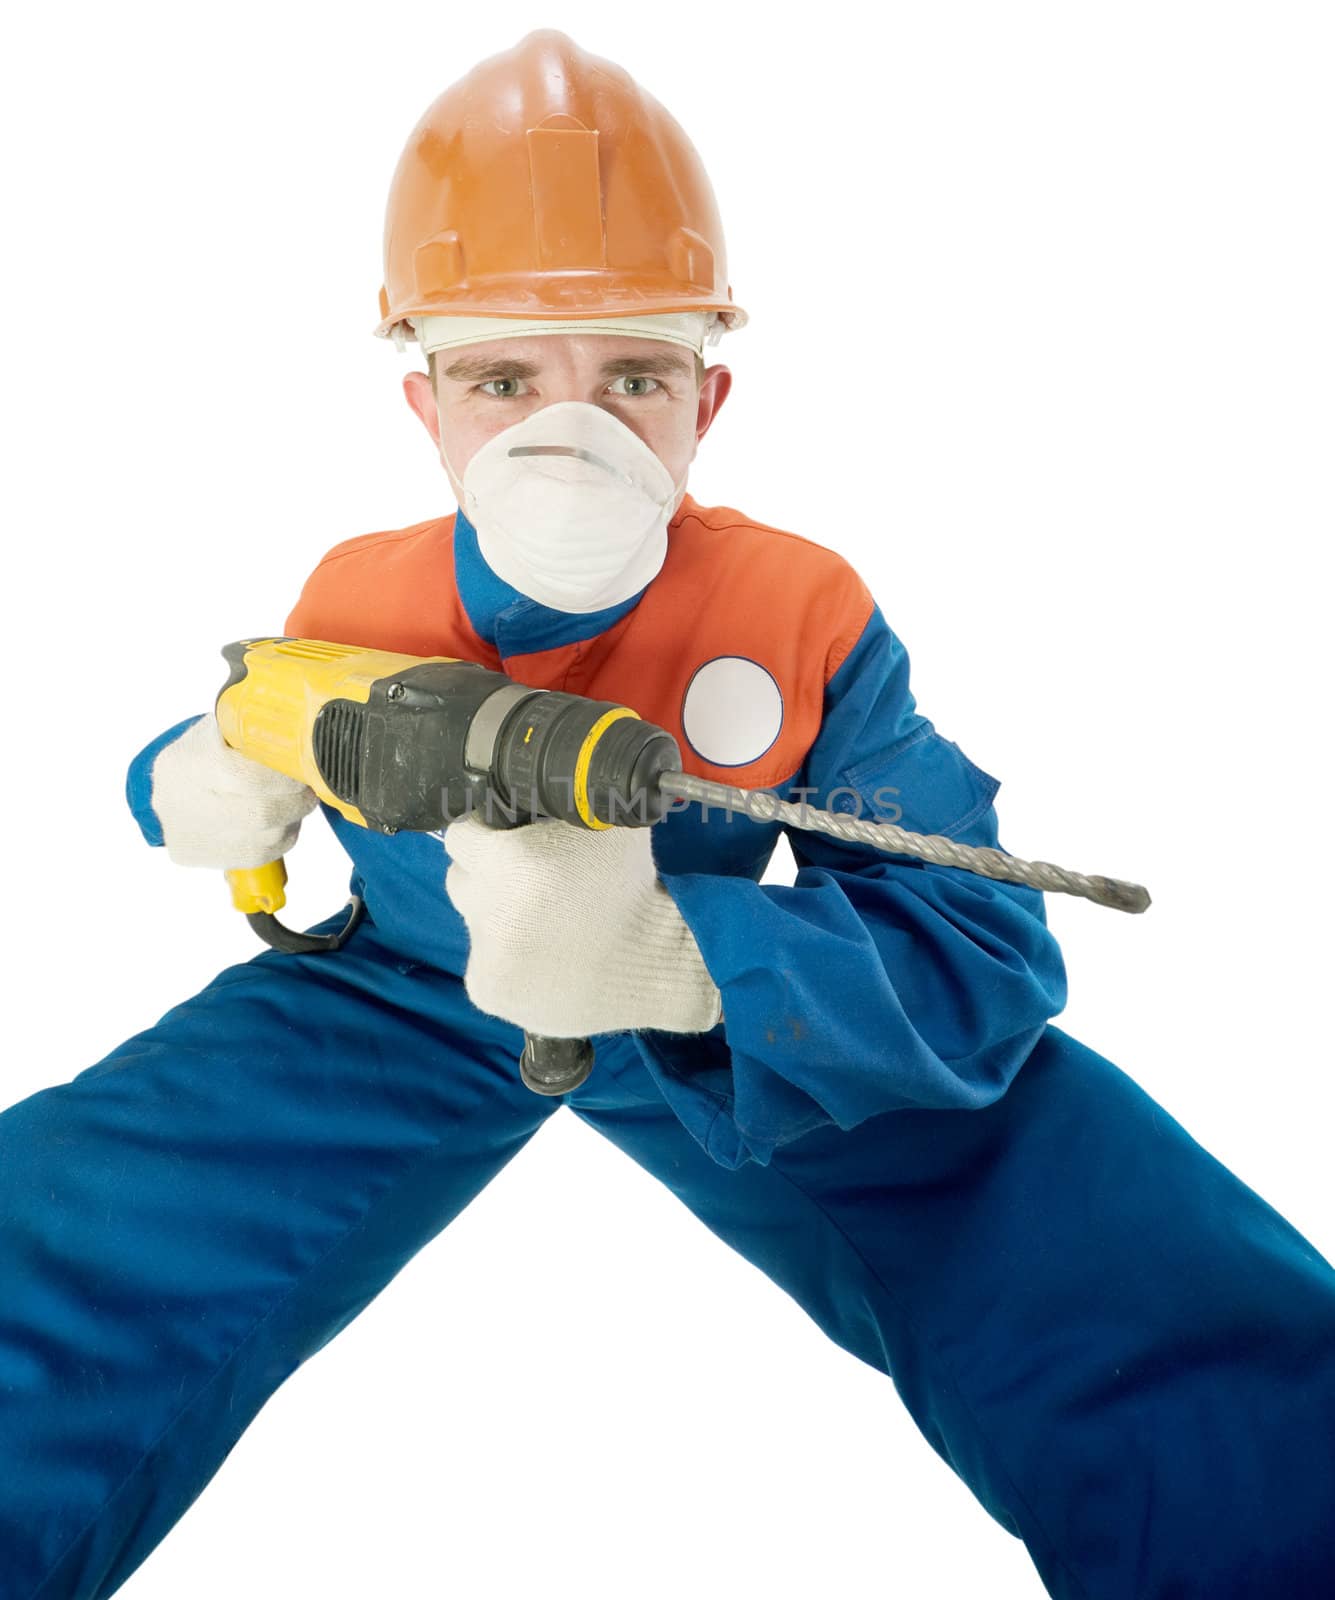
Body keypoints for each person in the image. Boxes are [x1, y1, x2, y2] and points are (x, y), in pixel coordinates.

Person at [2, 28, 1333, 1600]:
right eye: (505, 379)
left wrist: (681, 960)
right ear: (425, 405)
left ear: (709, 396)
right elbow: (254, 712)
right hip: (395, 995)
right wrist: (198, 766)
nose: (571, 436)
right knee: (58, 1249)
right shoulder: (356, 600)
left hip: (742, 1023)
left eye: (632, 376)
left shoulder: (795, 616)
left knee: (1128, 1267)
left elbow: (978, 934)